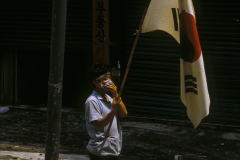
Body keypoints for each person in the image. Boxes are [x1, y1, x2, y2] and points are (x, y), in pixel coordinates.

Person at [85, 64, 128, 160]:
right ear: (96, 82)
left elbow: (124, 113)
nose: (109, 81)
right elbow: (99, 125)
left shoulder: (110, 98)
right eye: (105, 79)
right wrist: (113, 110)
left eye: (109, 78)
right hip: (101, 151)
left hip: (113, 149)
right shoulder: (92, 100)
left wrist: (115, 93)